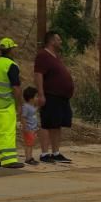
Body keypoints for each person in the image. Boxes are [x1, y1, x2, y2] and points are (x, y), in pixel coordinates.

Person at [33, 30, 75, 164]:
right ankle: (45, 154)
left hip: (61, 97)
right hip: (50, 95)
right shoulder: (43, 56)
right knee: (47, 124)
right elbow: (38, 74)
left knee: (57, 125)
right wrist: (41, 94)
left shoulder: (55, 56)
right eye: (58, 39)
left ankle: (56, 152)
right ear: (51, 41)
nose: (61, 42)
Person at [0, 37, 25, 169]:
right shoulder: (11, 65)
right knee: (7, 132)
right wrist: (19, 104)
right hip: (6, 104)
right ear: (10, 50)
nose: (15, 50)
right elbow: (15, 87)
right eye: (14, 48)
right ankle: (8, 160)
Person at [21, 86, 40, 165]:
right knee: (29, 144)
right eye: (36, 96)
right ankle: (28, 158)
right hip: (29, 129)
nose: (37, 98)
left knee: (31, 144)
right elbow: (23, 117)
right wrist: (25, 127)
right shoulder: (26, 107)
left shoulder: (32, 107)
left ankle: (30, 157)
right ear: (31, 98)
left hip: (33, 129)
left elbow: (34, 113)